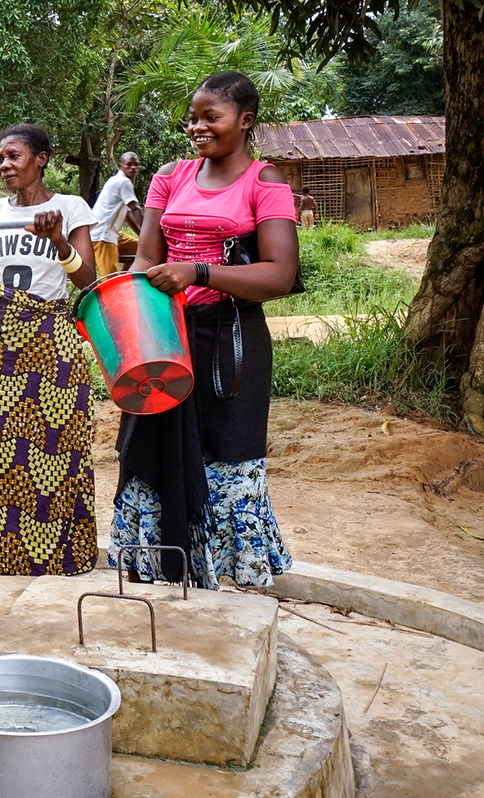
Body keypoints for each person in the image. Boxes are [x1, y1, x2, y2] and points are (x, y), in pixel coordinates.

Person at [108, 71, 297, 590]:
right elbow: (147, 256)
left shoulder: (266, 182)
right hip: (166, 337)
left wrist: (201, 273)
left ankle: (226, 584)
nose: (197, 127)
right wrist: (128, 311)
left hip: (230, 344)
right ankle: (164, 574)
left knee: (226, 454)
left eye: (210, 117)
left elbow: (279, 274)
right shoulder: (171, 175)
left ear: (245, 119)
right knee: (150, 452)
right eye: (192, 118)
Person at [0, 124, 99, 577]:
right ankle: (5, 558)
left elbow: (87, 279)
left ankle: (61, 559)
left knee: (58, 447)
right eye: (0, 159)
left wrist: (59, 242)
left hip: (54, 339)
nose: (4, 165)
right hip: (2, 340)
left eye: (14, 156)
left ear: (41, 159)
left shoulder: (69, 207)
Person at [90, 152, 145, 277]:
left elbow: (129, 214)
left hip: (112, 233)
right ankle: (116, 286)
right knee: (109, 280)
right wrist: (149, 234)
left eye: (136, 165)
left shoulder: (117, 181)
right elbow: (135, 209)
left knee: (139, 249)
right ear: (121, 166)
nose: (133, 168)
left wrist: (143, 237)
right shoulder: (123, 182)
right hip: (102, 236)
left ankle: (125, 278)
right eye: (129, 165)